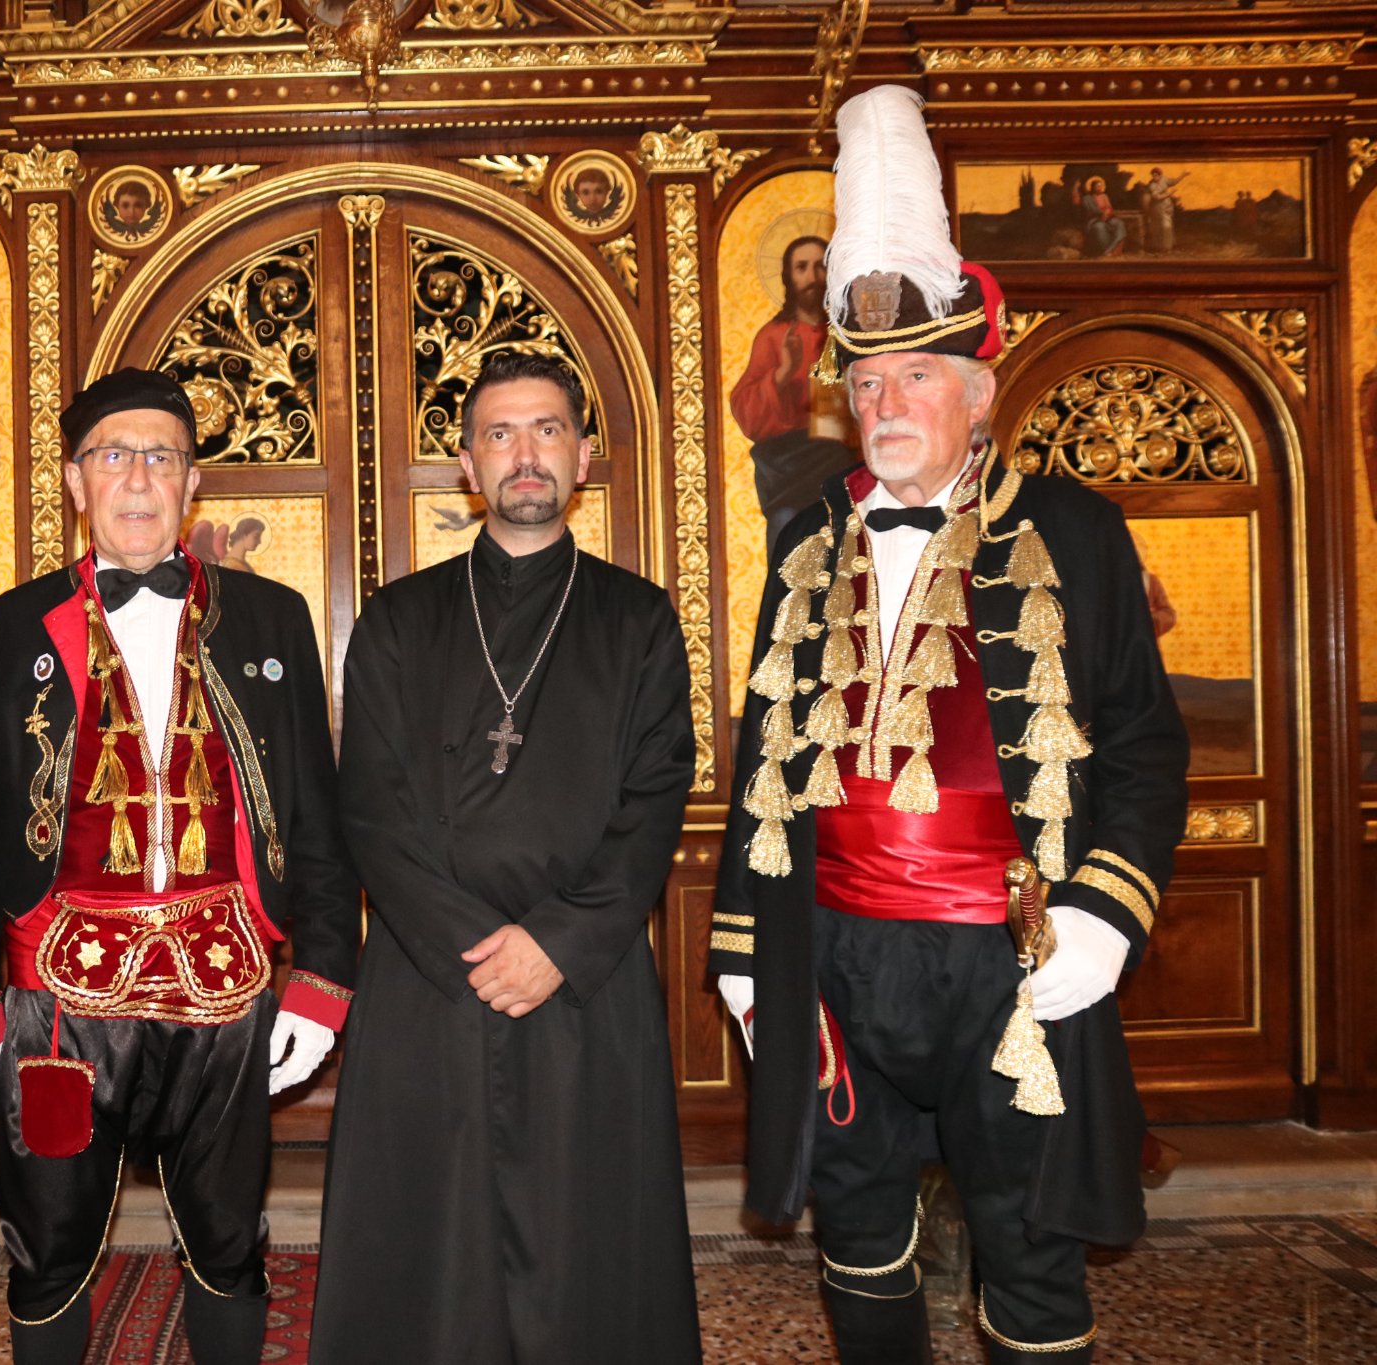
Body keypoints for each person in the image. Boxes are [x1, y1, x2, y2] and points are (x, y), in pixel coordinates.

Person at [712, 86, 1189, 1364]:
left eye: (916, 375)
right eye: (867, 380)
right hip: (838, 954)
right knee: (854, 1229)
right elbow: (764, 753)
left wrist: (1105, 911)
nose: (886, 401)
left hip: (1011, 959)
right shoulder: (805, 537)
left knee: (1027, 1243)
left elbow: (1143, 745)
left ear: (977, 392)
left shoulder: (1075, 531)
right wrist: (745, 945)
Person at [0, 368, 361, 1365]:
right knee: (46, 1247)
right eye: (112, 456)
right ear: (75, 482)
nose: (136, 477)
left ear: (191, 480)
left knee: (227, 1239)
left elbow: (315, 814)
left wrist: (319, 985)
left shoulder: (271, 617)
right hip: (58, 1007)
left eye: (159, 456)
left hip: (226, 992)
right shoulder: (15, 624)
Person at [311, 350, 701, 1365]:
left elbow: (655, 799)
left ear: (582, 455)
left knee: (587, 1248)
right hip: (429, 979)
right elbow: (371, 810)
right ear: (468, 466)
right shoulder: (399, 618)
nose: (525, 454)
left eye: (545, 430)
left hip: (585, 979)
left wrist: (555, 944)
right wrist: (478, 947)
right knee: (428, 1256)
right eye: (499, 434)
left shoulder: (639, 620)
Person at [730, 233, 859, 560]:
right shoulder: (773, 336)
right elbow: (746, 410)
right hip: (787, 468)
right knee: (786, 534)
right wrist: (783, 373)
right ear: (789, 277)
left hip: (836, 460)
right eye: (802, 267)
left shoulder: (846, 334)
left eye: (819, 266)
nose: (812, 276)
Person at [1141, 167, 1188, 254]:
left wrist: (1183, 175)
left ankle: (1168, 247)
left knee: (1167, 227)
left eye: (1156, 175)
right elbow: (1157, 197)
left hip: (1167, 206)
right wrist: (1169, 194)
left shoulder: (1164, 180)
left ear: (1160, 175)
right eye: (1153, 175)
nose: (1154, 177)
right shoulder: (1152, 185)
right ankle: (1161, 247)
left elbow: (1174, 182)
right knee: (1160, 227)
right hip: (1157, 208)